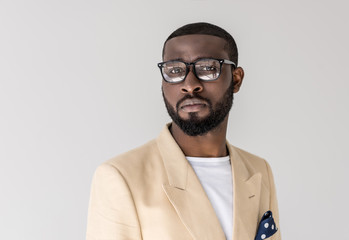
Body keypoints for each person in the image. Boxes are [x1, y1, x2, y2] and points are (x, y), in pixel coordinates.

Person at [86, 22, 281, 240]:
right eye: (175, 70)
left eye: (207, 68)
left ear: (236, 79)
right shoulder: (120, 176)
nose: (189, 84)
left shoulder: (259, 170)